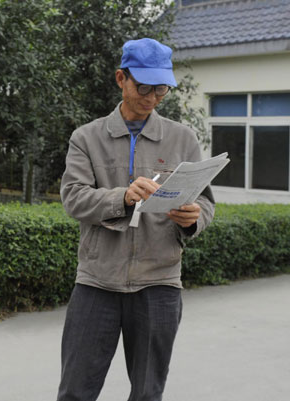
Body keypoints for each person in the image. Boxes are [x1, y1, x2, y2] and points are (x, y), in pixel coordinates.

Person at [57, 38, 215, 401]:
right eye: (143, 86)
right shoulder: (87, 138)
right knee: (76, 391)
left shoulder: (182, 139)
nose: (152, 97)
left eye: (160, 88)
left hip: (159, 283)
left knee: (148, 392)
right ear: (120, 79)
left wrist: (193, 218)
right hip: (97, 282)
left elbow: (205, 203)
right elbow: (74, 198)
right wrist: (122, 196)